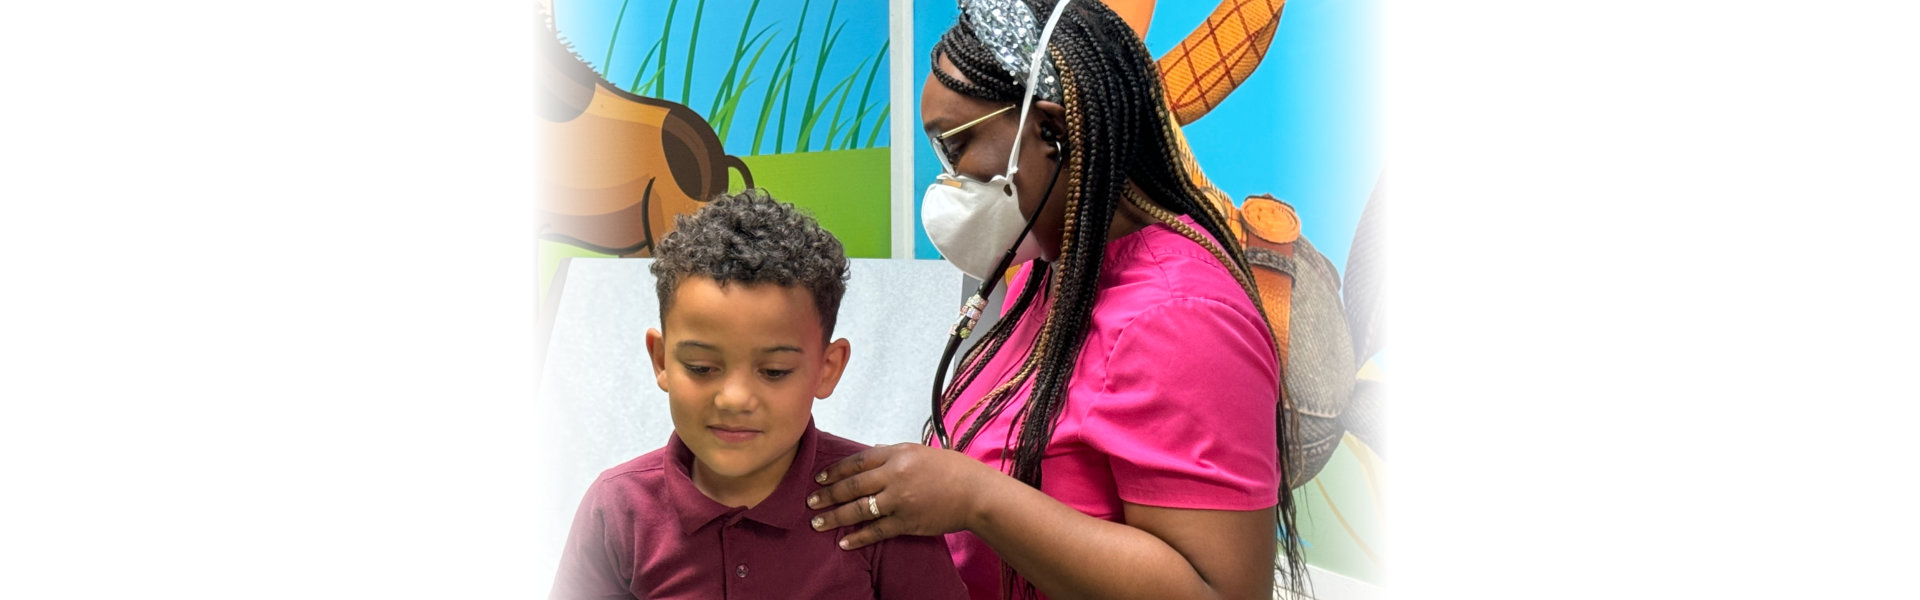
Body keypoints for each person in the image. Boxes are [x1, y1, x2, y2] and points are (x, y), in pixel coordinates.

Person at [802, 1, 1310, 599]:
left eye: (954, 147)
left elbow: (1219, 592)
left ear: (1050, 132)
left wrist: (975, 497)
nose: (947, 179)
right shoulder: (1057, 271)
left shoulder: (1180, 314)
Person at [548, 189, 967, 600]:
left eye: (774, 371)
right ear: (661, 360)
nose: (734, 398)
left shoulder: (878, 503)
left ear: (827, 368)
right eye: (701, 368)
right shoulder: (617, 509)